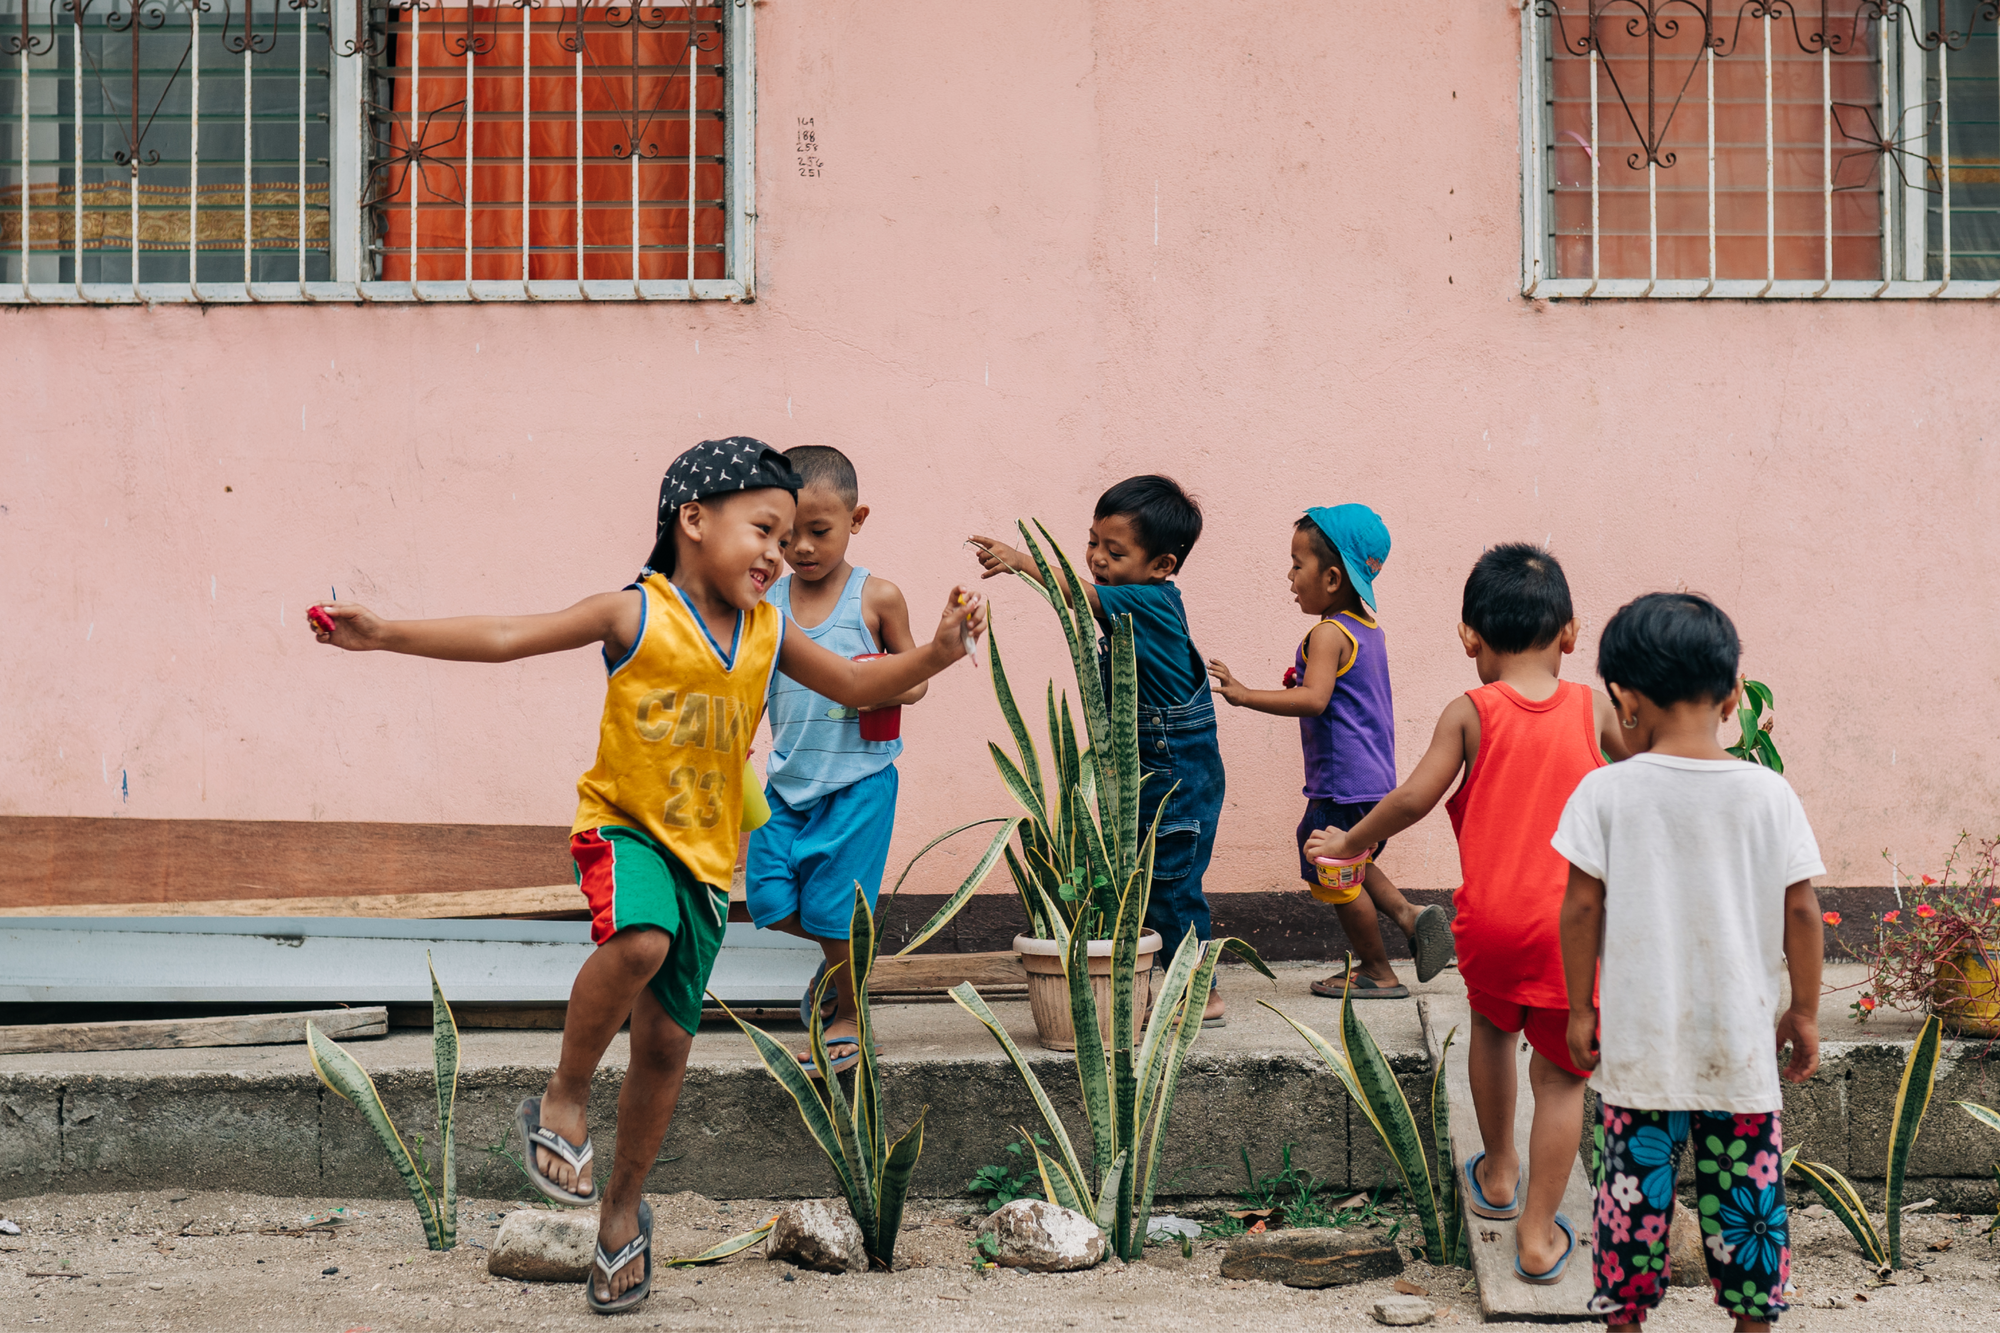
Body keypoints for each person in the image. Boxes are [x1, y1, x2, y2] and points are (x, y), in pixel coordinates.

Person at [309, 437, 986, 1315]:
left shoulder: (771, 628)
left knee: (667, 1044)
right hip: (625, 829)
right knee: (639, 939)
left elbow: (861, 688)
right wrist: (386, 634)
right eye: (763, 530)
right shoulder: (636, 612)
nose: (779, 554)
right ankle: (562, 1095)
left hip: (705, 861)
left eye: (788, 538)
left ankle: (621, 1213)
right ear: (693, 521)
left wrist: (934, 652)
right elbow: (512, 634)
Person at [1305, 542, 1630, 1285]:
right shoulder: (1597, 707)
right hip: (1574, 932)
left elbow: (1413, 797)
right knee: (1563, 1080)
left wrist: (1350, 844)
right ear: (1571, 633)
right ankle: (1542, 1234)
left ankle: (1497, 1173)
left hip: (1489, 925)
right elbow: (1651, 766)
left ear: (1469, 637)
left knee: (1490, 1032)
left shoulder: (1470, 712)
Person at [1555, 592, 1822, 1331]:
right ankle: (1751, 1322)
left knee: (1631, 1210)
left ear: (1626, 698)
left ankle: (1628, 1318)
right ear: (1734, 694)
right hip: (1738, 1054)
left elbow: (1579, 909)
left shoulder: (1605, 792)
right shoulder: (1770, 796)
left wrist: (1581, 1006)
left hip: (1641, 1055)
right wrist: (1802, 1008)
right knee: (1749, 1212)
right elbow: (1801, 911)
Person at [968, 475, 1227, 1025]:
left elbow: (1078, 594)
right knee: (1153, 880)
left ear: (1161, 564)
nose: (1096, 559)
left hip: (1177, 771)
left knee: (1173, 885)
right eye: (1092, 543)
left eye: (1115, 551)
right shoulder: (1137, 599)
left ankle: (1200, 990)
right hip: (1150, 769)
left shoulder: (1151, 601)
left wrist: (1023, 561)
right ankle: (1178, 983)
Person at [1209, 504, 1454, 1000]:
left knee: (1333, 869)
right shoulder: (1368, 631)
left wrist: (1244, 693)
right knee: (1353, 857)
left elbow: (1316, 699)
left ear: (1334, 577)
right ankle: (1408, 915)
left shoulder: (1327, 633)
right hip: (1372, 781)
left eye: (1298, 565)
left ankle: (1377, 969)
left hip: (1341, 784)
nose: (1290, 575)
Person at [747, 445, 926, 1076]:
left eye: (818, 532)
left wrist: (875, 678)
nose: (801, 549)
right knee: (770, 900)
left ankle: (851, 1013)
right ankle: (838, 967)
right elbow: (752, 684)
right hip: (787, 781)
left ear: (857, 519)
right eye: (787, 534)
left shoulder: (876, 597)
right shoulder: (765, 604)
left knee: (838, 910)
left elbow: (915, 681)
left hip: (859, 780)